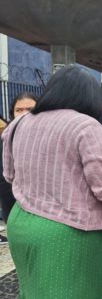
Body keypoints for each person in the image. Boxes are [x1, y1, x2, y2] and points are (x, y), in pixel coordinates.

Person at [2, 65, 102, 298]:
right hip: (68, 231)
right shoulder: (86, 126)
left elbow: (9, 175)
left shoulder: (18, 124)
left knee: (31, 291)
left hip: (21, 221)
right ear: (90, 97)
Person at [0, 92, 37, 244]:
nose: (24, 114)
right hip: (14, 200)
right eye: (19, 110)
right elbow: (4, 178)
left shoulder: (49, 137)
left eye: (30, 109)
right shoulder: (7, 138)